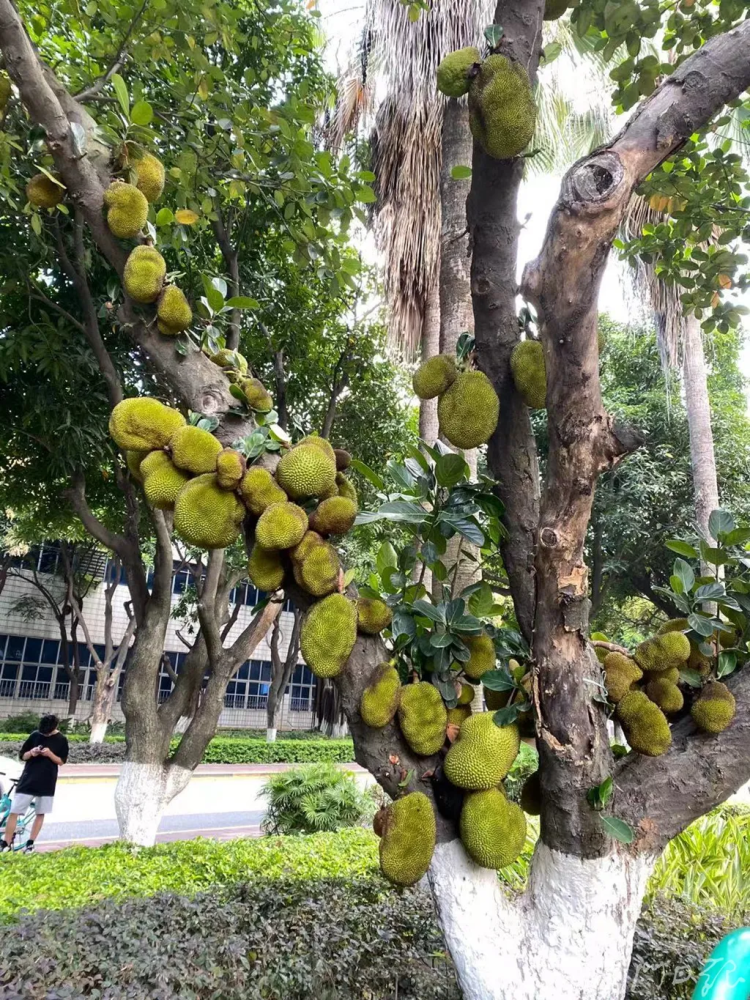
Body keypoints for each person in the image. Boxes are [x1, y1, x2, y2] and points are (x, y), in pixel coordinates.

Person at [0, 714, 68, 853]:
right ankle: (5, 843)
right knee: (14, 811)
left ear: (55, 727)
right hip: (28, 779)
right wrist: (32, 752)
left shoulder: (62, 740)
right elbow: (22, 756)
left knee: (40, 812)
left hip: (47, 781)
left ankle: (30, 843)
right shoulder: (35, 735)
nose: (45, 734)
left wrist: (50, 754)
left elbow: (61, 761)